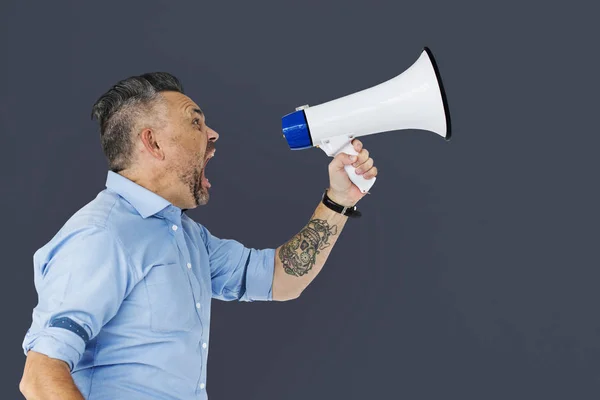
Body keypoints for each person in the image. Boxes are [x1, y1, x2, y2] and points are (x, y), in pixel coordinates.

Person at [19, 72, 378, 400]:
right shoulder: (101, 235)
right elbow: (40, 376)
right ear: (153, 143)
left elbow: (281, 279)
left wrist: (338, 200)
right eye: (195, 122)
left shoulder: (186, 237)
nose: (212, 134)